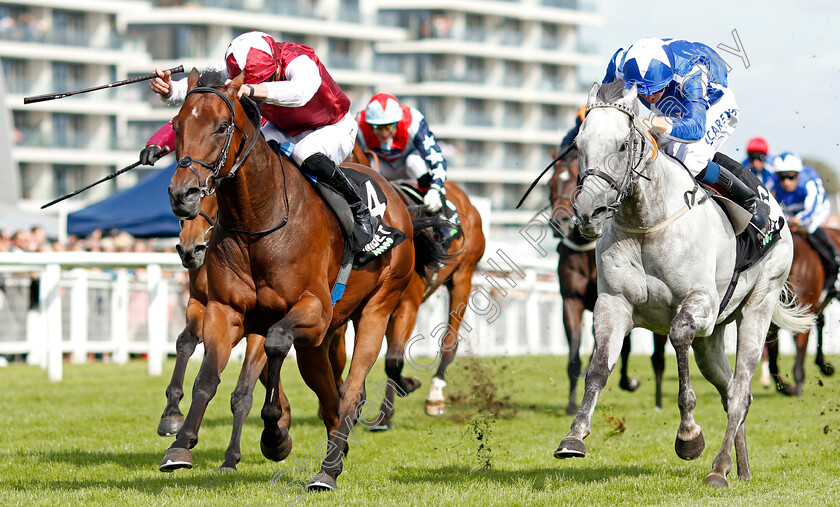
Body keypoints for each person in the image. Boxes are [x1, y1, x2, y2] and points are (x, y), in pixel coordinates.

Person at [142, 30, 375, 255]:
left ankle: (359, 210)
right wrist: (169, 90)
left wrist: (252, 88)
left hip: (331, 126)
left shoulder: (300, 61)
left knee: (305, 152)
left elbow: (300, 92)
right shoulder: (231, 69)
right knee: (249, 156)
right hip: (284, 128)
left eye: (262, 78)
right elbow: (193, 92)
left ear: (274, 63)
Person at [602, 38, 771, 236]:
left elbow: (696, 129)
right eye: (642, 91)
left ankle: (749, 200)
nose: (648, 97)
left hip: (711, 108)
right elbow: (604, 108)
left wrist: (657, 123)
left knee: (690, 160)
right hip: (671, 108)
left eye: (655, 89)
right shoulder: (619, 64)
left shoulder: (691, 76)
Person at [356, 93, 458, 231]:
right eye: (378, 127)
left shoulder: (413, 121)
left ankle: (443, 212)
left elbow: (437, 158)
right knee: (370, 169)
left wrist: (436, 188)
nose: (384, 133)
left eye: (389, 126)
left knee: (414, 163)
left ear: (398, 121)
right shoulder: (358, 124)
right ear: (369, 124)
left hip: (408, 163)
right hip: (383, 166)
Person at [772, 151, 840, 292]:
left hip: (815, 213)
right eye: (782, 177)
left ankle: (835, 263)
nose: (786, 182)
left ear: (798, 174)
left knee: (810, 230)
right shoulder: (774, 183)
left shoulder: (808, 181)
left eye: (791, 177)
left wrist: (799, 220)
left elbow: (813, 208)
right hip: (792, 215)